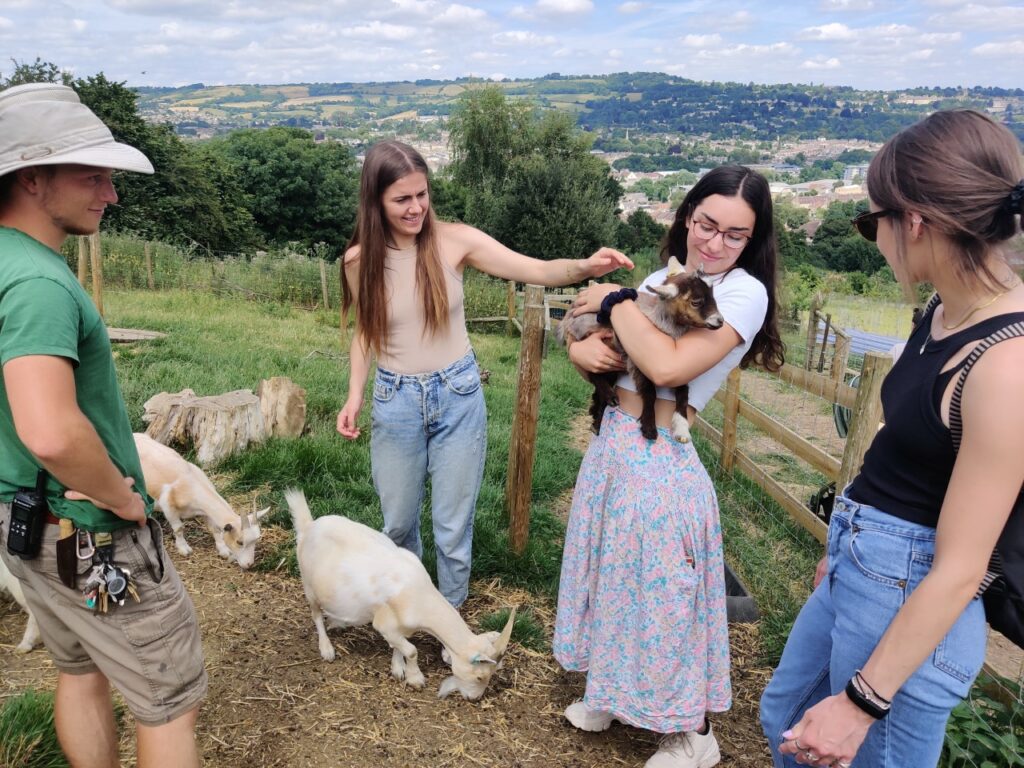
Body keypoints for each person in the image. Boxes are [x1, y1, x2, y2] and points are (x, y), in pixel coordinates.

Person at [759, 109, 1024, 768]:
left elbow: (963, 567)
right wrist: (845, 542)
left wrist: (863, 701)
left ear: (913, 222)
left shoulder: (1004, 368)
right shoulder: (939, 312)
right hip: (862, 562)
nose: (870, 237)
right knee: (787, 721)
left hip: (912, 592)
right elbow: (901, 443)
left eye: (868, 220)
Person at [0, 83, 205, 768]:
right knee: (170, 698)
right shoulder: (39, 285)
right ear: (33, 177)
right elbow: (51, 432)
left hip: (23, 517)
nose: (110, 194)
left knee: (81, 665)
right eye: (92, 175)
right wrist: (121, 498)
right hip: (84, 530)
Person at [554, 165, 785, 768]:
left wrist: (614, 301)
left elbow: (666, 367)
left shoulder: (740, 293)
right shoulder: (662, 278)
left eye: (735, 235)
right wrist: (580, 344)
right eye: (707, 224)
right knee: (610, 571)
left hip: (661, 458)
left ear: (751, 242)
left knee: (665, 591)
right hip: (614, 442)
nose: (714, 243)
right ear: (687, 216)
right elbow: (589, 333)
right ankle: (608, 689)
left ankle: (691, 733)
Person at [336, 140, 632, 608]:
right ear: (375, 201)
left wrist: (585, 266)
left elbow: (533, 268)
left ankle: (449, 618)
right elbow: (364, 334)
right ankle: (405, 609)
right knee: (397, 523)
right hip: (395, 400)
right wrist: (354, 396)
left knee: (453, 526)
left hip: (457, 395)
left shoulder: (455, 240)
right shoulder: (358, 261)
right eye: (401, 200)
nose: (416, 208)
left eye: (422, 194)